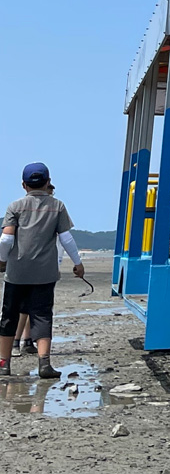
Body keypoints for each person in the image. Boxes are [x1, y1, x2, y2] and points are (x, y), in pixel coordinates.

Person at [0, 163, 84, 380]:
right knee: (43, 315)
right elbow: (66, 238)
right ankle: (44, 363)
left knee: (8, 316)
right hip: (45, 273)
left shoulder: (15, 207)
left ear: (23, 184)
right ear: (48, 182)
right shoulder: (58, 206)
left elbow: (7, 238)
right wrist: (78, 263)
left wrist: (1, 260)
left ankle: (4, 364)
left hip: (17, 272)